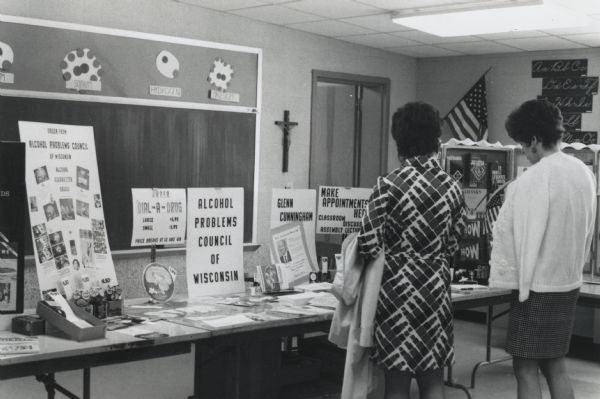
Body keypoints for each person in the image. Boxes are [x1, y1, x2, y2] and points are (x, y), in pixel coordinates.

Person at [489, 99, 596, 399]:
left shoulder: (531, 180)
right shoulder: (583, 172)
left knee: (525, 369)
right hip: (568, 283)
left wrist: (504, 279)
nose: (524, 151)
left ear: (535, 140)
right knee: (556, 366)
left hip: (535, 288)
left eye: (523, 144)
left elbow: (515, 238)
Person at [358, 102, 466, 399]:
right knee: (433, 380)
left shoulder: (388, 185)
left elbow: (367, 243)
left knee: (397, 382)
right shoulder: (452, 187)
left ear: (400, 140)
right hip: (435, 289)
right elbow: (456, 240)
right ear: (435, 138)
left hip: (396, 292)